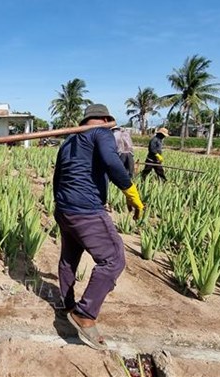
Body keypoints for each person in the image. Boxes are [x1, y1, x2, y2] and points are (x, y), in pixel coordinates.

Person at [52, 104, 144, 350]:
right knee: (114, 259)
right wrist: (130, 191)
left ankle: (67, 305)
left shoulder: (69, 141)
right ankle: (85, 313)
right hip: (87, 210)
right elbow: (112, 163)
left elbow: (57, 176)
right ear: (105, 119)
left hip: (64, 208)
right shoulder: (101, 133)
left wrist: (59, 207)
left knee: (69, 259)